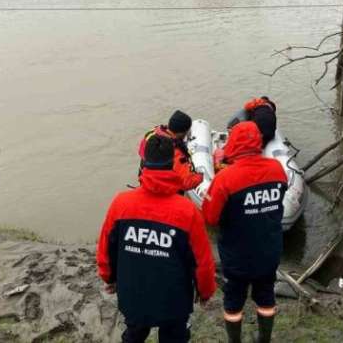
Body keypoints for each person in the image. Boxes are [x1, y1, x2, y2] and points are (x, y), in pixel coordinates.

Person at [98, 134, 216, 343]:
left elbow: (106, 248)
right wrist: (205, 292)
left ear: (143, 163)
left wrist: (109, 278)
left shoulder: (121, 204)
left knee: (133, 335)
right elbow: (202, 262)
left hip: (133, 295)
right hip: (174, 301)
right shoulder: (187, 211)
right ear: (172, 164)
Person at [201, 121, 288, 343]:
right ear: (258, 142)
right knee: (266, 297)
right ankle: (264, 339)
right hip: (269, 251)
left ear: (234, 144)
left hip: (237, 255)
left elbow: (210, 217)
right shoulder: (277, 170)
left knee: (233, 303)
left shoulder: (226, 179)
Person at [138, 110, 202, 192]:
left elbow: (140, 151)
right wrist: (200, 176)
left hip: (146, 182)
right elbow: (186, 183)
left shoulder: (152, 134)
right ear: (182, 132)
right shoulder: (174, 151)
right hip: (165, 191)